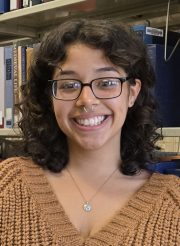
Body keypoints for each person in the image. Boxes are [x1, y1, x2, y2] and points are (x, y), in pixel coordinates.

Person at [0, 18, 179, 245]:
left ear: (132, 93)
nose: (87, 100)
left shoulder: (174, 205)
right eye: (69, 85)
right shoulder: (5, 185)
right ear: (49, 97)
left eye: (106, 82)